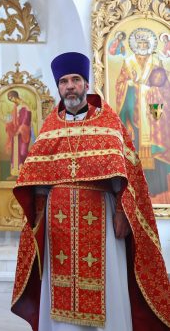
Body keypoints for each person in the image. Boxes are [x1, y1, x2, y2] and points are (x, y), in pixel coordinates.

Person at [11, 51, 170, 330]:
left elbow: (127, 174)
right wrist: (38, 220)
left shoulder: (108, 122)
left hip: (102, 218)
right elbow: (37, 180)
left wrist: (122, 212)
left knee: (107, 283)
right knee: (58, 284)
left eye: (75, 80)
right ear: (58, 87)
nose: (70, 86)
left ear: (86, 84)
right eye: (63, 82)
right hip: (57, 223)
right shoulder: (50, 127)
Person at [114, 27, 170, 199]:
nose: (143, 46)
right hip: (135, 112)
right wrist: (129, 85)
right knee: (135, 147)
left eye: (146, 43)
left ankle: (157, 187)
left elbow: (164, 84)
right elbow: (120, 83)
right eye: (140, 43)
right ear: (135, 45)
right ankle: (136, 190)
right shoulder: (128, 62)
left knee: (155, 145)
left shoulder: (156, 61)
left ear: (150, 45)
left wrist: (154, 90)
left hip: (153, 109)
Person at [4, 90, 32, 176]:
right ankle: (16, 172)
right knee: (15, 152)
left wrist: (20, 130)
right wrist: (8, 124)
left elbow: (26, 120)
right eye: (9, 99)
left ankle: (25, 171)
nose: (11, 100)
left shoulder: (25, 106)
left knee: (23, 152)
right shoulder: (15, 108)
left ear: (15, 96)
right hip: (15, 133)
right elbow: (13, 120)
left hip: (24, 132)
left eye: (11, 98)